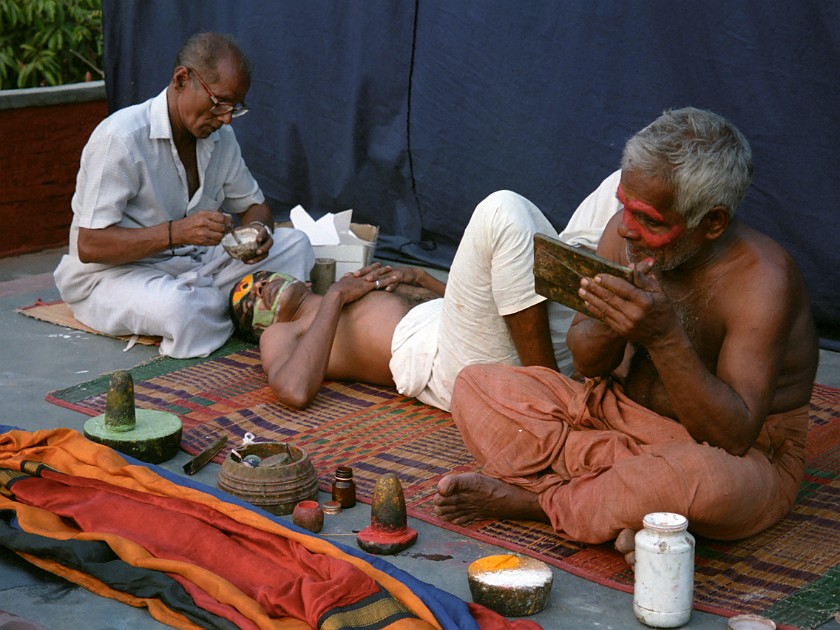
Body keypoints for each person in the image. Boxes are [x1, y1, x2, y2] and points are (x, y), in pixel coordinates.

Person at [433, 107, 820, 550]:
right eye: (623, 207)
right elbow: (586, 363)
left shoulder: (763, 280)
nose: (627, 230)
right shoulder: (624, 233)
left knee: (709, 482)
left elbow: (733, 437)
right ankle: (625, 501)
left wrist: (663, 336)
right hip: (610, 419)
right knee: (476, 386)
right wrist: (614, 326)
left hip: (730, 453)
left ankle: (537, 503)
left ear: (711, 223)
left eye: (651, 221)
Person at [53, 32, 314, 358]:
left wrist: (257, 232)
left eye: (236, 107)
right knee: (180, 309)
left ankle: (220, 306)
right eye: (219, 103)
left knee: (297, 245)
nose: (227, 117)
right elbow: (90, 245)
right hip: (113, 276)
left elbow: (254, 205)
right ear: (181, 79)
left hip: (191, 266)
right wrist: (176, 234)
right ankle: (240, 306)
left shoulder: (222, 139)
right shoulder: (121, 138)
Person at [229, 190, 578, 412]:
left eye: (259, 279)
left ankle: (591, 359)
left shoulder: (351, 286)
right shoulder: (283, 332)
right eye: (249, 302)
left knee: (612, 193)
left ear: (298, 278)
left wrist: (424, 280)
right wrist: (335, 296)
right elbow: (294, 391)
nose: (258, 289)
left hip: (516, 340)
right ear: (259, 328)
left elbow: (488, 312)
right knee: (502, 210)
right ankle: (551, 395)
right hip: (456, 364)